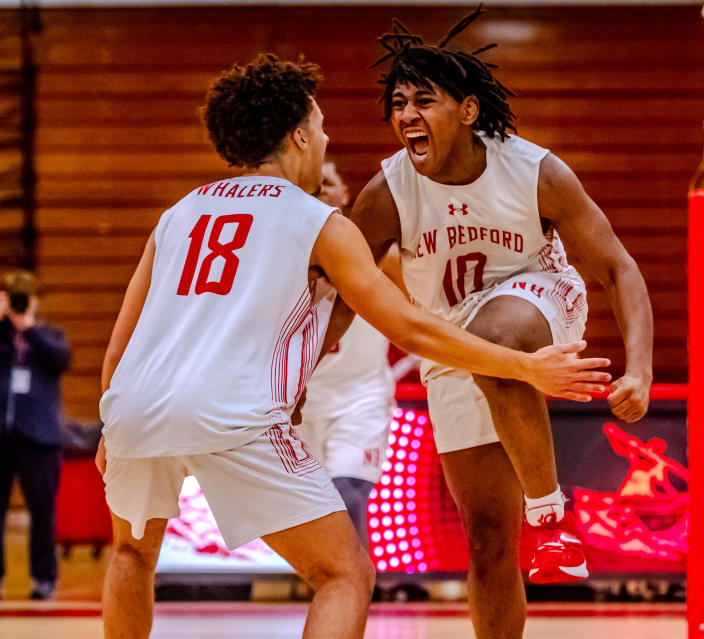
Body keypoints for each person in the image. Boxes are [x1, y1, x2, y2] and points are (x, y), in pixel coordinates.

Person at [95, 54, 610, 639]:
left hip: (135, 406)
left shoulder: (178, 215)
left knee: (131, 556)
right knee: (345, 574)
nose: (326, 136)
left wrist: (112, 421)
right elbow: (410, 330)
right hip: (231, 412)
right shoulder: (317, 220)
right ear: (297, 136)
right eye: (319, 126)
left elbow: (123, 338)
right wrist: (523, 366)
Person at [340, 9, 654, 637]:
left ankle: (551, 517)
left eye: (423, 101)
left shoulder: (536, 171)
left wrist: (641, 370)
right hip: (450, 341)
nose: (406, 115)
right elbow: (337, 290)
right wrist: (291, 376)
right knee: (485, 544)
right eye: (397, 103)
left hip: (542, 302)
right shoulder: (388, 191)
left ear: (468, 111)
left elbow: (619, 269)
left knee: (498, 337)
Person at [297, 160, 415, 547]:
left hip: (359, 396)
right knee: (309, 516)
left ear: (346, 193)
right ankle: (332, 592)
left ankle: (352, 594)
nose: (320, 191)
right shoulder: (281, 254)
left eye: (327, 183)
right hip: (297, 400)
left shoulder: (380, 255)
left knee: (348, 499)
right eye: (311, 186)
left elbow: (423, 309)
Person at [0, 270, 71, 601]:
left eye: (21, 297)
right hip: (3, 436)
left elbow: (60, 360)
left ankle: (44, 578)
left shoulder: (50, 335)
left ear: (35, 301)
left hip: (39, 439)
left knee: (42, 511)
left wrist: (27, 327)